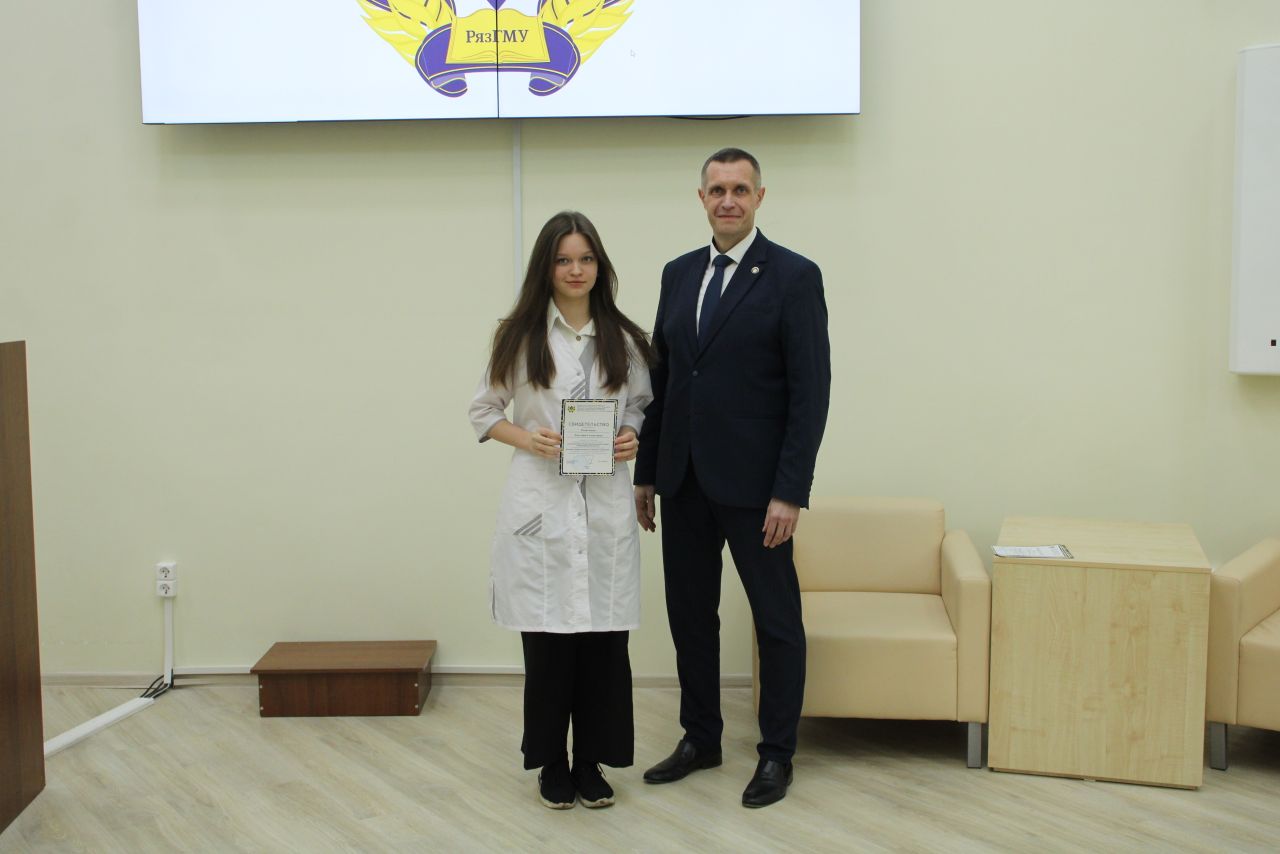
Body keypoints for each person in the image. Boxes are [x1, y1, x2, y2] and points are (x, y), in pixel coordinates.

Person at [633, 148, 831, 808]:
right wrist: (646, 474)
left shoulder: (794, 277)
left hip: (758, 490)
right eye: (717, 189)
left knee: (776, 621)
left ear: (759, 197)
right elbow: (662, 382)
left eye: (740, 189)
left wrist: (790, 491)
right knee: (691, 618)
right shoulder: (678, 274)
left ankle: (777, 753)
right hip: (683, 480)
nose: (728, 200)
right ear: (701, 198)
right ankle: (701, 738)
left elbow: (810, 393)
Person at [469, 211, 655, 810]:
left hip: (603, 504)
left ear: (600, 265)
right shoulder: (518, 336)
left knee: (603, 646)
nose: (576, 270)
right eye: (564, 260)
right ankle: (551, 762)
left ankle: (591, 762)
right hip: (541, 505)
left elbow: (640, 405)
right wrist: (530, 439)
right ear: (546, 269)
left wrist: (630, 435)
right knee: (548, 647)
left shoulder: (625, 338)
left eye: (586, 259)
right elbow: (483, 412)